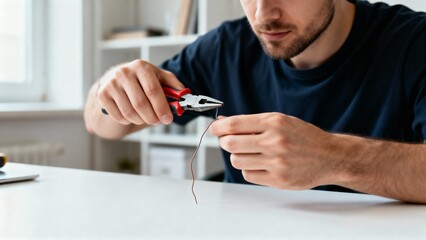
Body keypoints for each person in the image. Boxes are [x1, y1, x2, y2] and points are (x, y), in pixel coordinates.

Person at [84, 0, 426, 203]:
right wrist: (112, 90)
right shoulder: (224, 47)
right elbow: (98, 124)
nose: (263, 15)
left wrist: (334, 157)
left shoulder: (414, 43)